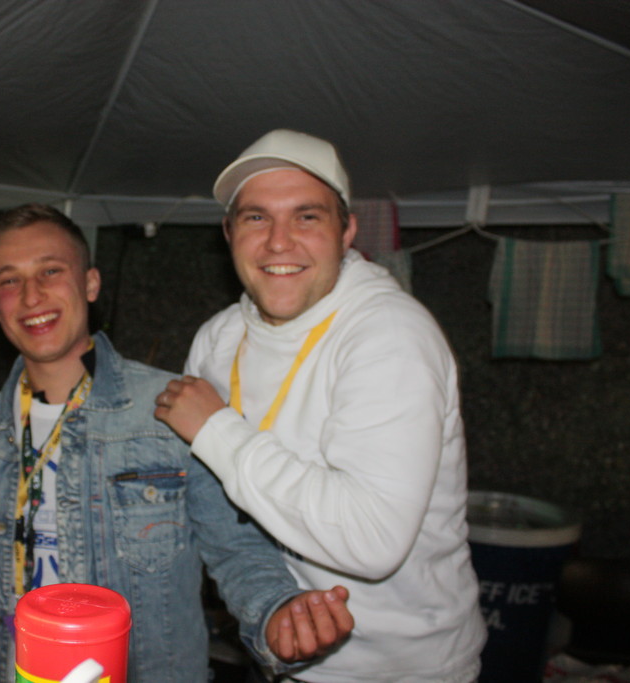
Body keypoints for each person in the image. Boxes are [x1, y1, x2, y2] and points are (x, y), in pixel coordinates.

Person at [0, 203, 353, 683]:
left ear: (90, 284)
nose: (32, 296)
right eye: (10, 280)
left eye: (51, 271)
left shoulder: (171, 413)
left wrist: (277, 614)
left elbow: (238, 551)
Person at [154, 130, 487, 682]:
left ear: (347, 230)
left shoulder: (389, 334)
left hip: (403, 671)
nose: (278, 242)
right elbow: (216, 512)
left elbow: (373, 539)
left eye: (306, 217)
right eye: (256, 218)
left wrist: (216, 429)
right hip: (277, 649)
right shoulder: (217, 339)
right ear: (229, 232)